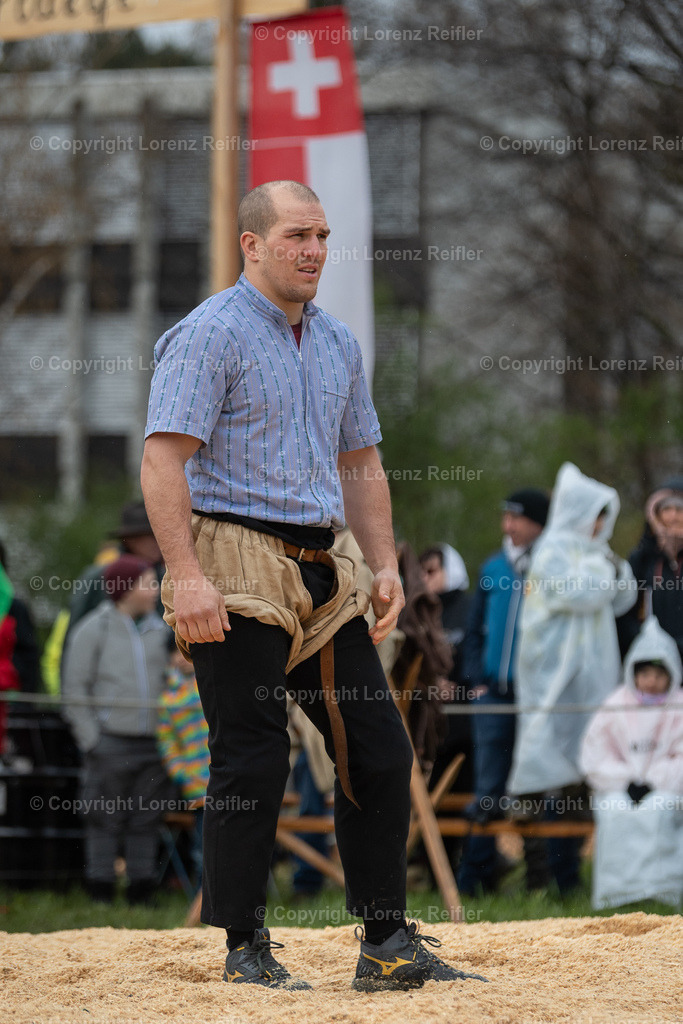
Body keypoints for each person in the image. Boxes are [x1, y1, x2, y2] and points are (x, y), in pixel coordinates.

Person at [141, 180, 486, 990]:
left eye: (323, 236)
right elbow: (161, 460)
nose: (315, 250)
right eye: (297, 235)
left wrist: (385, 563)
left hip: (325, 568)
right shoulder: (209, 333)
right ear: (252, 244)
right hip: (231, 562)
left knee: (377, 749)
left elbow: (360, 462)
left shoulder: (336, 342)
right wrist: (185, 575)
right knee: (253, 755)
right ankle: (244, 947)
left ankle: (385, 944)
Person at [508, 463, 637, 892]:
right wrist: (608, 571)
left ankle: (569, 879)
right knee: (540, 766)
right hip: (551, 677)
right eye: (595, 514)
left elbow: (623, 598)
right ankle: (536, 878)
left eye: (604, 516)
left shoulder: (595, 552)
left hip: (589, 679)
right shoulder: (553, 550)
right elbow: (582, 594)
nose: (601, 524)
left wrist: (610, 570)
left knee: (580, 778)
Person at [456, 488, 550, 896]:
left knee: (534, 786)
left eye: (518, 517)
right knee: (487, 789)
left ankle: (542, 882)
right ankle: (475, 882)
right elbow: (473, 630)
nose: (508, 525)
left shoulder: (551, 566)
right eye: (506, 516)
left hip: (535, 699)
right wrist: (477, 680)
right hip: (493, 696)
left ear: (538, 523)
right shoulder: (493, 567)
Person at [61, 554, 170, 904]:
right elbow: (74, 687)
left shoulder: (163, 629)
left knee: (147, 818)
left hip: (154, 743)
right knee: (102, 817)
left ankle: (141, 891)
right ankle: (101, 889)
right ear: (125, 588)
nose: (156, 590)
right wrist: (92, 739)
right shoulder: (92, 629)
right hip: (108, 743)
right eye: (149, 584)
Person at [580, 615, 683, 908]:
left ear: (671, 674)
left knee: (659, 809)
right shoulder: (616, 703)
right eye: (645, 673)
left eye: (659, 674)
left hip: (668, 788)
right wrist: (625, 780)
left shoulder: (679, 705)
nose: (652, 681)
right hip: (619, 787)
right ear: (633, 673)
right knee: (614, 809)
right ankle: (616, 892)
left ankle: (662, 890)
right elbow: (595, 753)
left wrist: (654, 781)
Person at [157, 643, 210, 889]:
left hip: (227, 778)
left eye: (183, 650)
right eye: (174, 653)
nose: (179, 658)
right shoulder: (169, 697)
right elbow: (167, 741)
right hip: (197, 786)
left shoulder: (213, 682)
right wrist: (180, 772)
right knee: (203, 849)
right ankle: (204, 901)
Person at [618, 477, 683, 662]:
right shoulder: (642, 559)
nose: (673, 516)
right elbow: (626, 610)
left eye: (679, 509)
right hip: (652, 662)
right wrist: (644, 643)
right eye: (666, 509)